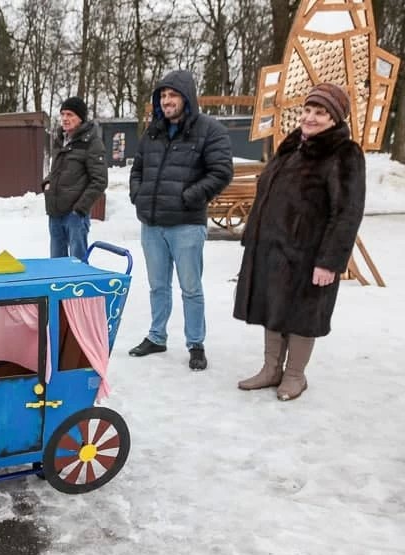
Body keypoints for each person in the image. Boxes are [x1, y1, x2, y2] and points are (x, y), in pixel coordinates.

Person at [233, 83, 364, 401]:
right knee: (272, 307)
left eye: (321, 113)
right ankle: (270, 370)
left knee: (302, 315)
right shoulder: (291, 146)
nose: (311, 117)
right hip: (273, 249)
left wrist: (330, 262)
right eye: (308, 110)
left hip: (310, 253)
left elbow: (347, 212)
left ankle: (294, 376)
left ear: (335, 119)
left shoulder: (343, 154)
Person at [128, 70, 233, 371]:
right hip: (152, 224)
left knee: (190, 287)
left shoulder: (209, 130)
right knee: (158, 286)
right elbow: (137, 169)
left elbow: (221, 171)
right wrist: (139, 194)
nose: (166, 101)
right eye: (162, 96)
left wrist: (190, 196)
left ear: (187, 98)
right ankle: (157, 336)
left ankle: (195, 343)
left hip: (186, 225)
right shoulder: (153, 131)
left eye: (172, 95)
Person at [43, 96, 107, 261]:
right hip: (55, 214)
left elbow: (99, 181)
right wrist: (47, 183)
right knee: (56, 267)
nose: (65, 118)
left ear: (81, 118)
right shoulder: (59, 140)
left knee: (78, 267)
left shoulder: (92, 143)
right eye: (63, 114)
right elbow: (56, 171)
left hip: (75, 217)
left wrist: (79, 209)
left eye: (70, 114)